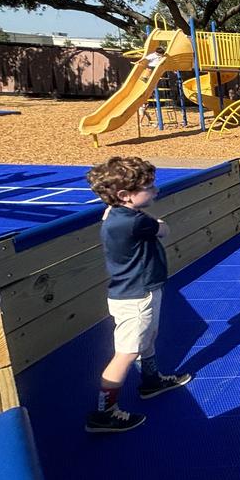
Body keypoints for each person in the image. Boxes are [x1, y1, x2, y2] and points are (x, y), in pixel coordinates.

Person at [84, 157, 192, 433]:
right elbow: (164, 229)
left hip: (139, 291)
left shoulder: (116, 213)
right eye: (149, 187)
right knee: (126, 353)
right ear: (124, 195)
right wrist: (158, 222)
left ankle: (151, 380)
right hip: (136, 297)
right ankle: (103, 413)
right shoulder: (133, 222)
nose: (156, 191)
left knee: (146, 339)